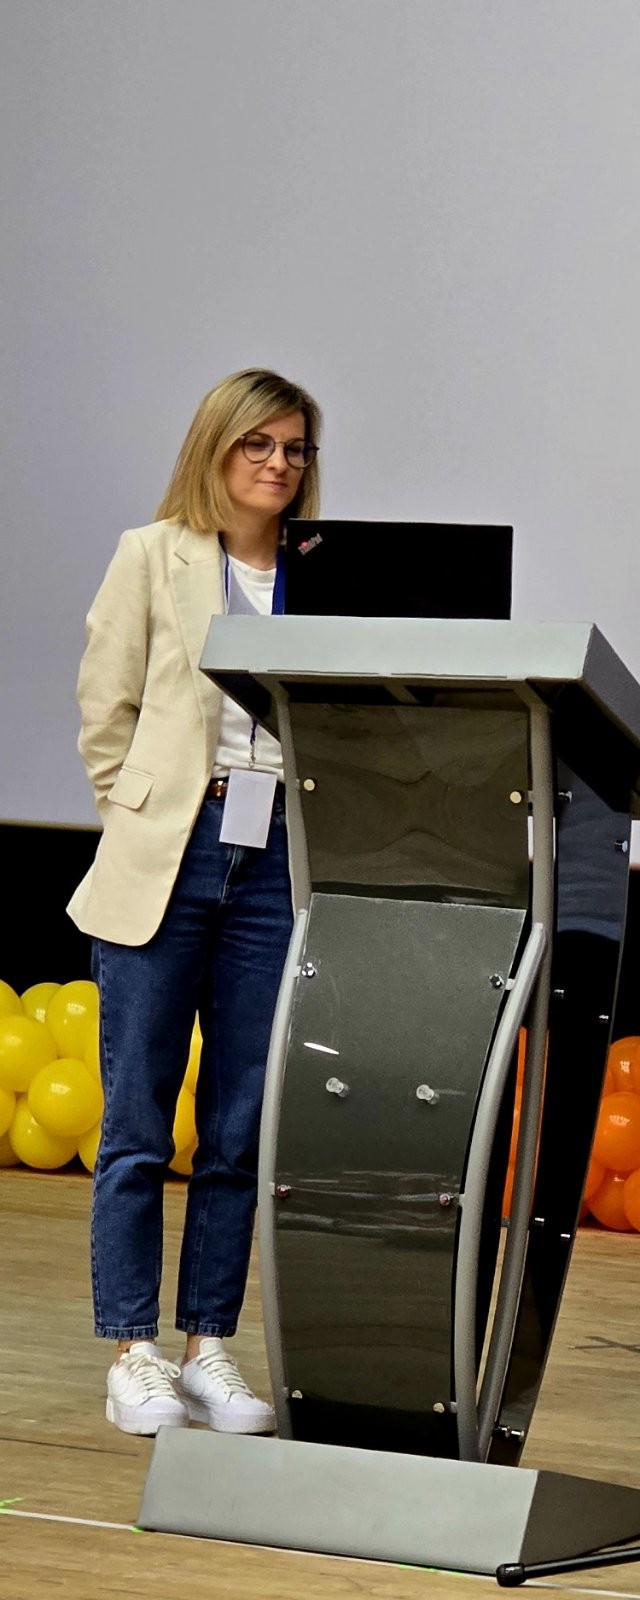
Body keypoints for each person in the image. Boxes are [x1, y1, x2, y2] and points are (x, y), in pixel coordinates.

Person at [68, 369, 323, 1436]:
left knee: (237, 1125)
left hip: (275, 860)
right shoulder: (153, 553)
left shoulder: (319, 572)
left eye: (295, 448)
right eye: (257, 443)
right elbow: (105, 710)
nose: (277, 464)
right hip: (171, 851)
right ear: (215, 448)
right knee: (137, 1118)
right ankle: (132, 1351)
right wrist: (144, 816)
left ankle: (206, 1343)